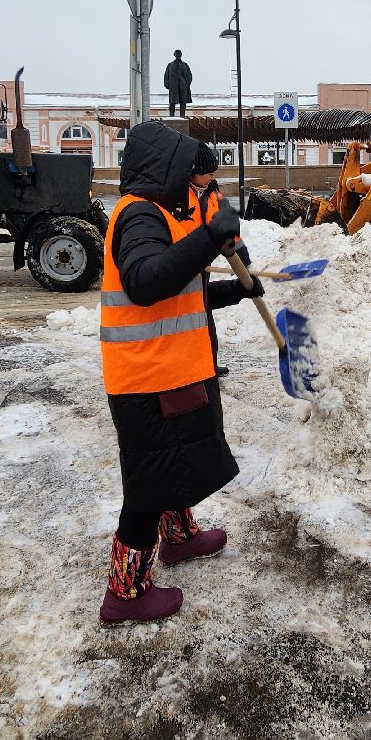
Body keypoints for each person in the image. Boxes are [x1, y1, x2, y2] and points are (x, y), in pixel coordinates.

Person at [97, 121, 264, 625]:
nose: (201, 192)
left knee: (177, 463)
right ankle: (125, 594)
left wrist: (236, 290)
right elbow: (147, 283)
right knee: (148, 486)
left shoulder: (162, 216)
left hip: (171, 372)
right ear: (166, 172)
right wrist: (210, 238)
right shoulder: (139, 217)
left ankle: (179, 537)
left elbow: (178, 296)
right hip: (148, 380)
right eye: (194, 181)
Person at [189, 142, 257, 379]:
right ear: (193, 170)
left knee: (206, 318)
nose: (211, 176)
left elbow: (232, 237)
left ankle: (209, 364)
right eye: (207, 172)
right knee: (193, 321)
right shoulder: (178, 197)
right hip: (185, 265)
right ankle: (196, 367)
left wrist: (246, 269)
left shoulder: (214, 196)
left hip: (202, 267)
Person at [164, 50, 193, 118]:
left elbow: (189, 75)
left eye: (179, 54)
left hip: (183, 86)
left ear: (181, 55)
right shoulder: (170, 65)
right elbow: (166, 75)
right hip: (173, 86)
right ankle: (171, 115)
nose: (178, 55)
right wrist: (167, 84)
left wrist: (187, 84)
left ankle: (182, 115)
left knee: (183, 102)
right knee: (172, 102)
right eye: (177, 54)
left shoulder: (185, 65)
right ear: (174, 55)